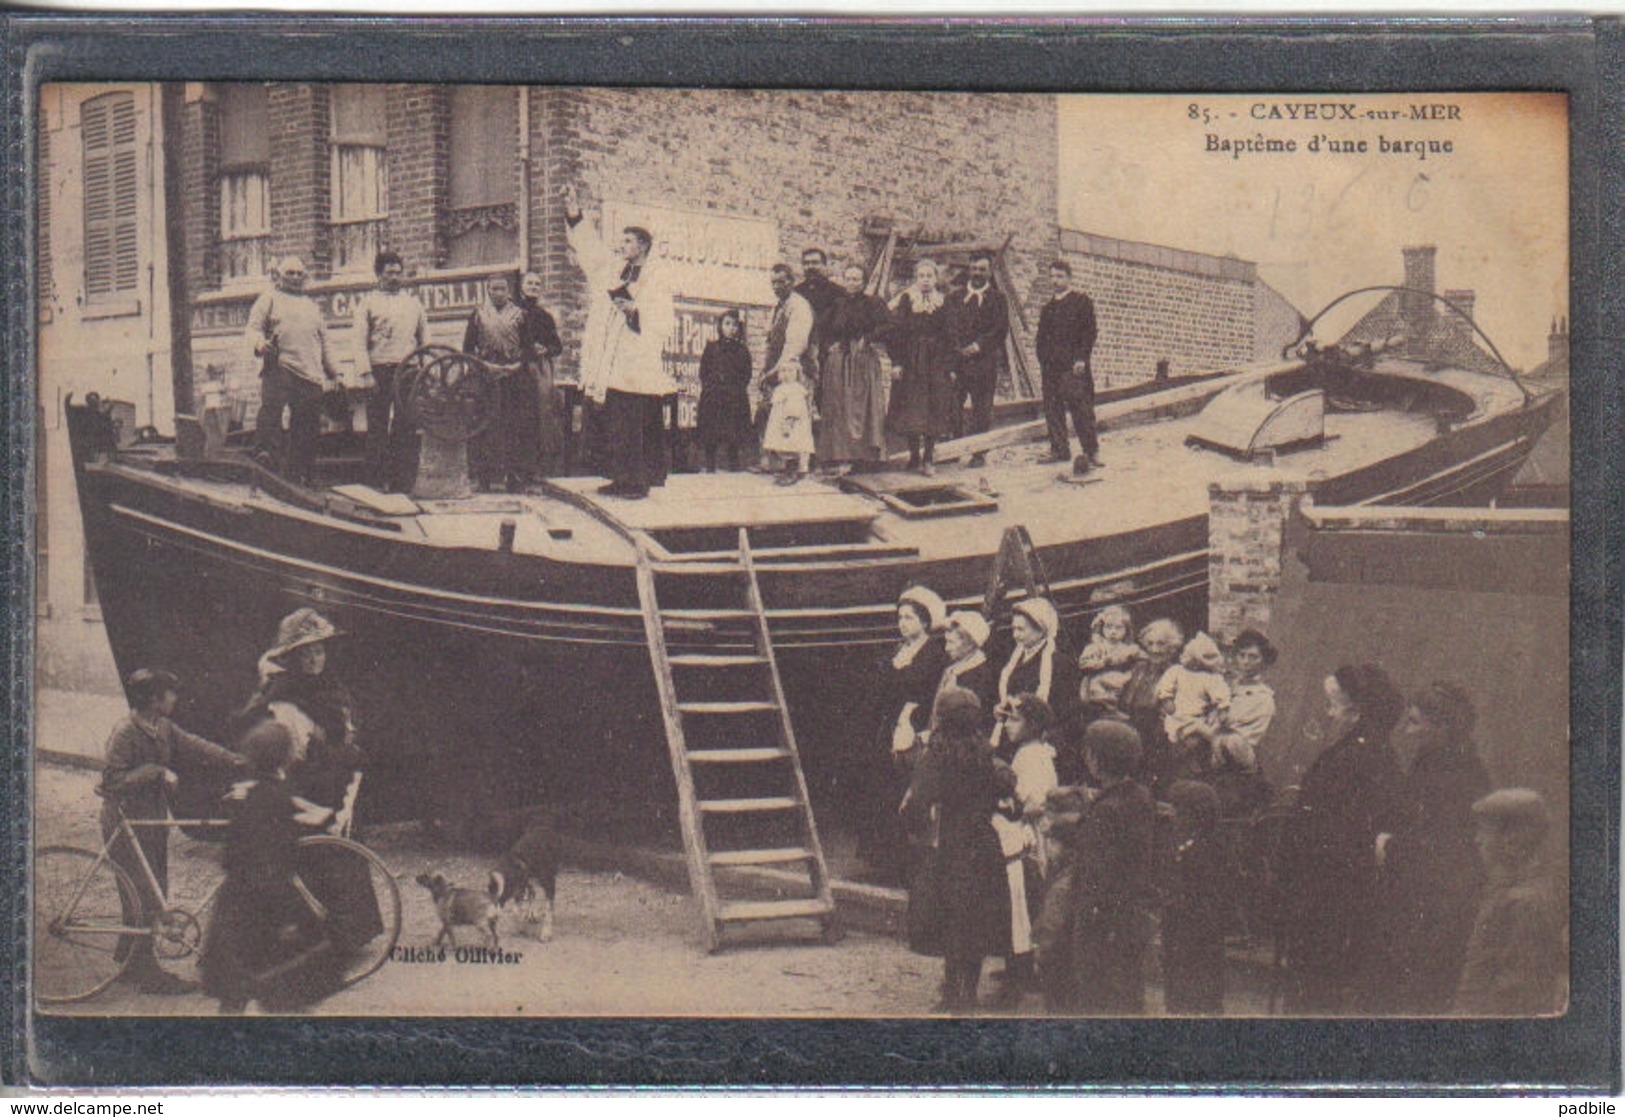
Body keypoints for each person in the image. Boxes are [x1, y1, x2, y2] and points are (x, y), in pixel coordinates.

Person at [237, 608, 383, 955]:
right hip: (311, 784)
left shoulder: (331, 687)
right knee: (319, 857)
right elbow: (292, 750)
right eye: (306, 653)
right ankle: (323, 939)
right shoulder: (287, 699)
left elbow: (346, 725)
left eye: (319, 650)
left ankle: (349, 935)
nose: (315, 658)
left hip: (338, 782)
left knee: (344, 852)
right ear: (294, 658)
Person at [98, 668, 246, 994]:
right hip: (124, 819)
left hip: (149, 819)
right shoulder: (125, 732)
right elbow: (111, 782)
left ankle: (129, 961)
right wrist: (156, 770)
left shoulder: (162, 727)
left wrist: (238, 760)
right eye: (170, 694)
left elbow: (196, 745)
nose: (175, 699)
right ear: (154, 699)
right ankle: (147, 974)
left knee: (150, 888)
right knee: (143, 893)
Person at [1276, 663, 1405, 1014]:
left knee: (1315, 981)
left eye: (1333, 703)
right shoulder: (1357, 749)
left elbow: (1342, 828)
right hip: (1322, 886)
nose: (1328, 712)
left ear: (1356, 710)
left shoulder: (1361, 755)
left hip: (1329, 889)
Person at [199, 719, 346, 1014]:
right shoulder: (277, 796)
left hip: (234, 905)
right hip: (268, 905)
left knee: (235, 990)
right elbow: (281, 856)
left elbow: (230, 855)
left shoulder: (249, 795)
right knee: (285, 988)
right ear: (285, 757)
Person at [1379, 682, 1492, 1014]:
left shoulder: (1461, 774)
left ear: (1442, 726)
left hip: (1440, 900)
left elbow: (1442, 843)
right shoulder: (1429, 760)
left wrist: (1392, 845)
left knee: (1421, 994)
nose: (1406, 730)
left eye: (1414, 722)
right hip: (1416, 891)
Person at [561, 183, 677, 500]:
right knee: (614, 425)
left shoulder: (657, 276)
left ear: (642, 245)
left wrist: (635, 312)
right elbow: (593, 255)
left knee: (633, 425)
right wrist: (575, 214)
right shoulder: (618, 270)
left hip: (636, 366)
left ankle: (636, 482)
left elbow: (664, 318)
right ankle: (618, 477)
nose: (622, 245)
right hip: (612, 364)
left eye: (628, 240)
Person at [902, 687, 1012, 1013]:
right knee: (975, 920)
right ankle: (968, 992)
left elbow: (918, 802)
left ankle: (951, 991)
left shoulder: (935, 755)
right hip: (984, 842)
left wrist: (917, 829)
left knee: (950, 917)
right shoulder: (986, 751)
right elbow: (1005, 784)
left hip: (950, 844)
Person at [1045, 718, 1157, 1014]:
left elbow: (1097, 871)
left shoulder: (1107, 811)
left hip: (1100, 917)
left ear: (1096, 759)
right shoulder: (1139, 797)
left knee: (1093, 993)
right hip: (1129, 913)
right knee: (1125, 992)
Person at [854, 586, 949, 886]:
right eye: (901, 617)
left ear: (924, 622)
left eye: (910, 618)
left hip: (913, 728)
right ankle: (884, 860)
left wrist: (894, 676)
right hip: (889, 728)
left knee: (905, 792)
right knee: (882, 791)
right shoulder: (898, 651)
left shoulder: (933, 653)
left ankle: (906, 863)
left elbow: (921, 688)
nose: (903, 623)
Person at [1452, 788, 1566, 1016]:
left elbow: (1512, 997)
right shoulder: (1507, 892)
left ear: (1512, 842)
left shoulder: (1524, 904)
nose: (1477, 840)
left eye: (1485, 831)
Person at [989, 692, 1060, 1008]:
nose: (1007, 725)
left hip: (1028, 837)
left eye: (1015, 719)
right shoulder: (1024, 752)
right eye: (1006, 718)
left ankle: (1020, 973)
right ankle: (1019, 965)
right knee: (1018, 904)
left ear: (1033, 724)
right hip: (1022, 832)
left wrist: (1008, 806)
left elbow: (1034, 803)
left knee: (1019, 904)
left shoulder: (1033, 757)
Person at [246, 256, 340, 485]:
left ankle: (300, 473)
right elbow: (253, 329)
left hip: (309, 372)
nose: (295, 278)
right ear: (279, 276)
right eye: (290, 273)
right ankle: (267, 461)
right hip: (280, 366)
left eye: (300, 274)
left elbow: (325, 341)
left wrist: (334, 372)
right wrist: (261, 344)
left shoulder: (312, 307)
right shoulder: (268, 300)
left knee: (307, 424)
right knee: (272, 410)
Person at [352, 250, 428, 492]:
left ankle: (401, 484)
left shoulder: (413, 303)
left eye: (398, 273)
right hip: (379, 371)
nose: (395, 277)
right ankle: (374, 482)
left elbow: (425, 338)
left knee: (405, 426)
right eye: (389, 273)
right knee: (377, 427)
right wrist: (366, 374)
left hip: (407, 371)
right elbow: (358, 342)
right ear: (378, 275)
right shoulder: (367, 303)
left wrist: (424, 368)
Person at [462, 274, 538, 492]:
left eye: (502, 289)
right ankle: (483, 477)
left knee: (513, 426)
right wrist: (483, 366)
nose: (498, 293)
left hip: (514, 378)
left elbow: (529, 349)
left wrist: (518, 365)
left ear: (509, 291)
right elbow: (467, 348)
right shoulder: (478, 315)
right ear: (488, 291)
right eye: (494, 289)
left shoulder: (520, 315)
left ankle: (514, 477)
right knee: (486, 425)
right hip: (487, 377)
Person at [814, 263, 891, 473]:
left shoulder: (873, 303)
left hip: (863, 361)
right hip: (839, 363)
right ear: (844, 280)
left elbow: (888, 326)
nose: (852, 283)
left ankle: (864, 457)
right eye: (848, 278)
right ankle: (839, 455)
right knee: (839, 407)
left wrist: (868, 338)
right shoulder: (837, 304)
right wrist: (830, 345)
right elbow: (822, 328)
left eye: (856, 279)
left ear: (864, 281)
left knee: (862, 407)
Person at [884, 259, 956, 476]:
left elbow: (951, 335)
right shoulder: (907, 300)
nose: (925, 280)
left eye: (929, 276)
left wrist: (951, 366)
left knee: (934, 409)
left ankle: (929, 457)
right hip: (911, 361)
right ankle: (914, 455)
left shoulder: (943, 302)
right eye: (921, 276)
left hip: (935, 363)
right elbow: (896, 333)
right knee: (911, 409)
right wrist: (896, 362)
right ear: (916, 278)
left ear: (936, 279)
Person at [1162, 779, 1228, 1015]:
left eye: (1177, 811)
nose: (1173, 817)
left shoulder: (1203, 849)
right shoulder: (1187, 843)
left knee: (1197, 982)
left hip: (1196, 923)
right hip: (1182, 921)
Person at [1034, 259, 1101, 476]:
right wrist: (1043, 361)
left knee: (1081, 409)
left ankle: (1091, 451)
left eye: (1060, 276)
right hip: (1051, 368)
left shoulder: (1081, 302)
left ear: (1069, 278)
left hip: (1073, 368)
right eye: (1052, 276)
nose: (1055, 281)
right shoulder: (1048, 309)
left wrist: (1082, 358)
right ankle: (1059, 449)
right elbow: (1041, 339)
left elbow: (1089, 332)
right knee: (1053, 410)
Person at [994, 597, 1080, 762]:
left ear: (1041, 630)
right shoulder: (1014, 660)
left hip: (1042, 742)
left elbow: (1067, 714)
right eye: (1014, 629)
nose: (1015, 635)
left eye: (1021, 629)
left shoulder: (1059, 663)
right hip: (1011, 738)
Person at [947, 252, 1009, 465]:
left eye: (982, 269)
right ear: (969, 270)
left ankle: (978, 453)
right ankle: (952, 450)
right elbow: (948, 327)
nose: (977, 273)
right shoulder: (954, 298)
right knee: (952, 405)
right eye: (974, 269)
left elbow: (1000, 330)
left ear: (989, 272)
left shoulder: (999, 300)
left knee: (981, 408)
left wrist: (978, 346)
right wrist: (957, 349)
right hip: (958, 361)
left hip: (984, 363)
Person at [755, 265, 817, 468]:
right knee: (775, 417)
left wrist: (774, 372)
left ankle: (796, 468)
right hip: (778, 372)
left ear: (791, 281)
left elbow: (795, 345)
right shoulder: (778, 307)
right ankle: (777, 464)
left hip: (796, 372)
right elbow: (771, 341)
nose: (777, 286)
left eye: (781, 281)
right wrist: (765, 369)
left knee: (794, 418)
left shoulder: (799, 306)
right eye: (773, 282)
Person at [1117, 617, 1184, 795]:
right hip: (1131, 737)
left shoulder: (1177, 674)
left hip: (1157, 744)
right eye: (1151, 643)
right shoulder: (1138, 669)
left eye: (1161, 644)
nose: (1155, 649)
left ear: (1172, 648)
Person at [1155, 631, 1232, 783]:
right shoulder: (1177, 671)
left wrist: (1222, 708)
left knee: (1196, 745)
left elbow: (1222, 695)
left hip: (1196, 718)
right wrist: (1166, 698)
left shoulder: (1211, 678)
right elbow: (1165, 685)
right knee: (1167, 740)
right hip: (1175, 715)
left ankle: (1194, 771)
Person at [518, 271, 567, 478]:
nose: (534, 287)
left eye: (537, 284)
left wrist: (545, 349)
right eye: (530, 283)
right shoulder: (514, 313)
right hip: (518, 370)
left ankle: (537, 469)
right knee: (520, 418)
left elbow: (557, 346)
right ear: (521, 286)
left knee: (541, 416)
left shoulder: (544, 316)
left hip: (539, 371)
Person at [695, 308, 754, 472]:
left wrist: (736, 389)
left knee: (733, 431)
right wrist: (710, 387)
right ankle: (710, 465)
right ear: (720, 326)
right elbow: (703, 372)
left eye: (735, 325)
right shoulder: (712, 348)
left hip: (734, 397)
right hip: (713, 396)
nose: (731, 328)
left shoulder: (742, 350)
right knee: (711, 431)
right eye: (727, 324)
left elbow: (746, 374)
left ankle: (733, 464)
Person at [1077, 605, 1143, 721]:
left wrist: (1131, 656)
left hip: (1121, 678)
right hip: (1100, 678)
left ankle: (1118, 709)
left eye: (1118, 628)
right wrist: (1101, 662)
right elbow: (1083, 663)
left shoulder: (1128, 648)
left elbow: (1142, 657)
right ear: (1102, 628)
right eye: (1109, 627)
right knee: (1095, 686)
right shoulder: (1096, 647)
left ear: (1126, 630)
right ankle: (1108, 710)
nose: (1113, 632)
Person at [932, 610, 997, 717]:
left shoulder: (982, 674)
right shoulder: (951, 670)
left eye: (952, 642)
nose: (946, 648)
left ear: (970, 643)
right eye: (946, 642)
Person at [761, 359, 815, 486]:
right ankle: (788, 470)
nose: (787, 374)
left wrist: (789, 422)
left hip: (791, 422)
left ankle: (792, 472)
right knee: (784, 447)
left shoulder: (795, 389)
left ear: (797, 373)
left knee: (792, 446)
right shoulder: (781, 388)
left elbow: (794, 408)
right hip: (780, 421)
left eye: (791, 371)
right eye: (784, 370)